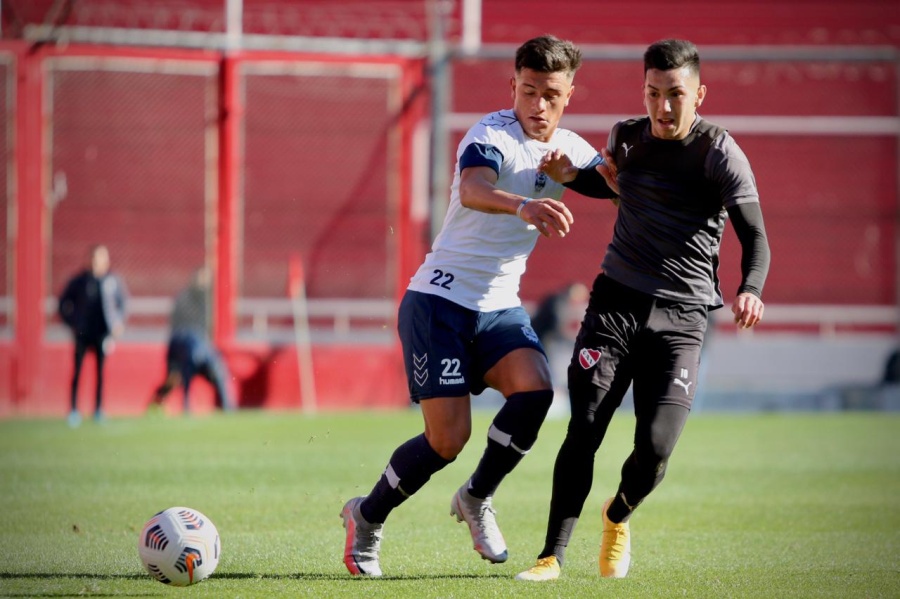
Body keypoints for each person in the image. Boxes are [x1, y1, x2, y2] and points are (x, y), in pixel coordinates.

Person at [340, 35, 601, 577]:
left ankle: (476, 497)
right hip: (439, 300)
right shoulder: (490, 133)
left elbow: (621, 186)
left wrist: (596, 173)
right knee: (448, 439)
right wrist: (526, 204)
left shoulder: (571, 151)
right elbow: (476, 186)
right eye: (528, 91)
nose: (537, 105)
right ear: (513, 86)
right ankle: (366, 517)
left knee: (535, 393)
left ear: (569, 94)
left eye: (550, 94)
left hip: (498, 308)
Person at [516, 39, 771, 581]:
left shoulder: (719, 153)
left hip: (683, 317)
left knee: (655, 448)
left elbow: (755, 235)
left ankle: (617, 514)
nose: (664, 107)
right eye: (654, 93)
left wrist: (751, 287)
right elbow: (615, 189)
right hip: (616, 302)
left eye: (675, 94)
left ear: (699, 93)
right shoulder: (625, 137)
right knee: (583, 425)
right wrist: (570, 176)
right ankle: (550, 556)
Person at [58, 244, 128, 426]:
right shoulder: (80, 281)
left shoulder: (112, 281)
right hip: (82, 333)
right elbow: (63, 304)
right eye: (94, 258)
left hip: (102, 334)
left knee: (100, 373)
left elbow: (122, 304)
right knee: (78, 372)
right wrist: (73, 324)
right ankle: (74, 410)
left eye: (101, 258)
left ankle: (98, 409)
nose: (97, 262)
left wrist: (117, 324)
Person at [148, 267, 233, 413]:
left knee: (219, 372)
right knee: (174, 379)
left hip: (200, 350)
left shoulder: (209, 299)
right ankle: (158, 402)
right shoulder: (185, 297)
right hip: (181, 348)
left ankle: (228, 408)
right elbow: (175, 324)